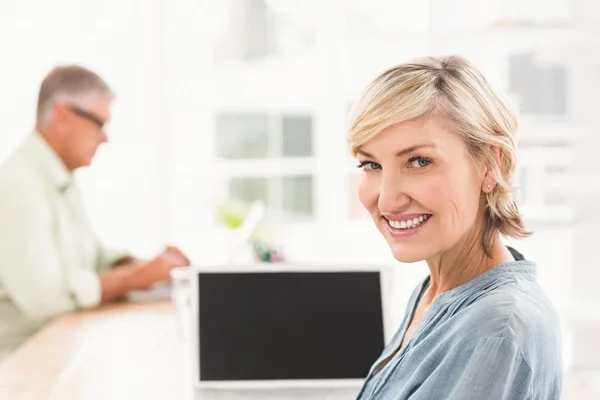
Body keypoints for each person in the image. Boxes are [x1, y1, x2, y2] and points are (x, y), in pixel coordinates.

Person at [348, 56, 562, 399]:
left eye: (419, 162)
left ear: (492, 165)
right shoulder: (437, 291)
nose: (387, 201)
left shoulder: (494, 332)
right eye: (371, 164)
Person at [0, 66, 190, 362]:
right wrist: (132, 279)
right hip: (20, 368)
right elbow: (45, 299)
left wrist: (144, 267)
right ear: (62, 116)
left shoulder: (59, 179)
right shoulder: (18, 186)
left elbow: (93, 258)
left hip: (60, 353)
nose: (105, 139)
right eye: (99, 123)